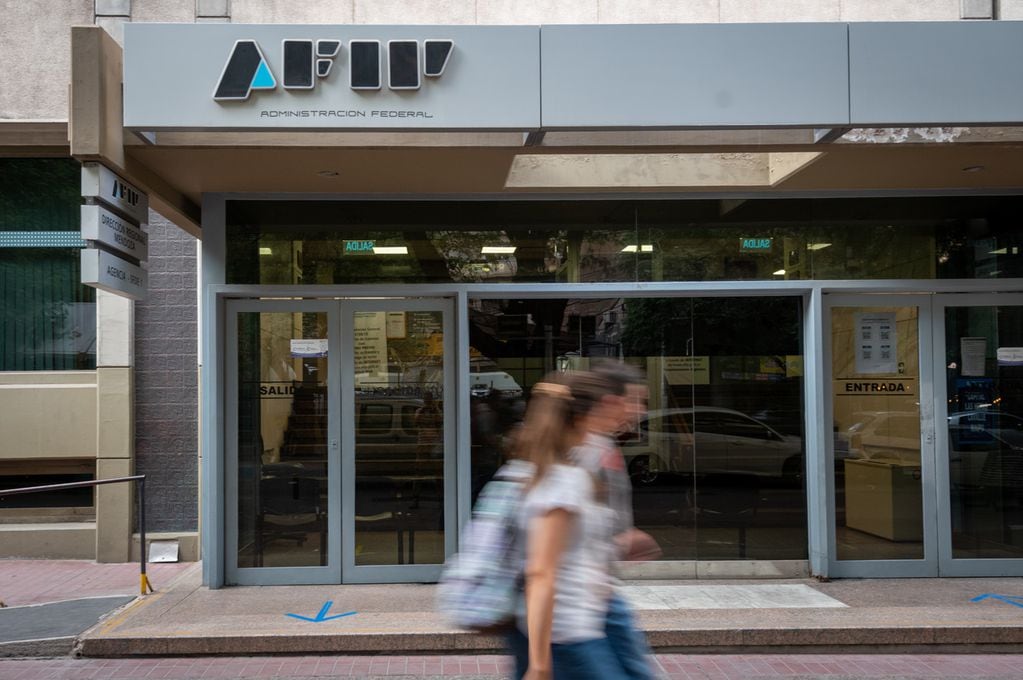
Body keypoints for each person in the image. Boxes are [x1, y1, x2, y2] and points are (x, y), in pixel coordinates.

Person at [508, 371, 628, 680]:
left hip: (564, 628)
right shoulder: (564, 481)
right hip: (566, 633)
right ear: (581, 418)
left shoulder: (535, 471)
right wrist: (539, 664)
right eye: (602, 411)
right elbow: (541, 572)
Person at [582, 360, 658, 680]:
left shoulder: (602, 445)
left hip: (600, 594)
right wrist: (616, 542)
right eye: (637, 400)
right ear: (611, 402)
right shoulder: (583, 451)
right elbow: (557, 535)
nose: (641, 410)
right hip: (586, 600)